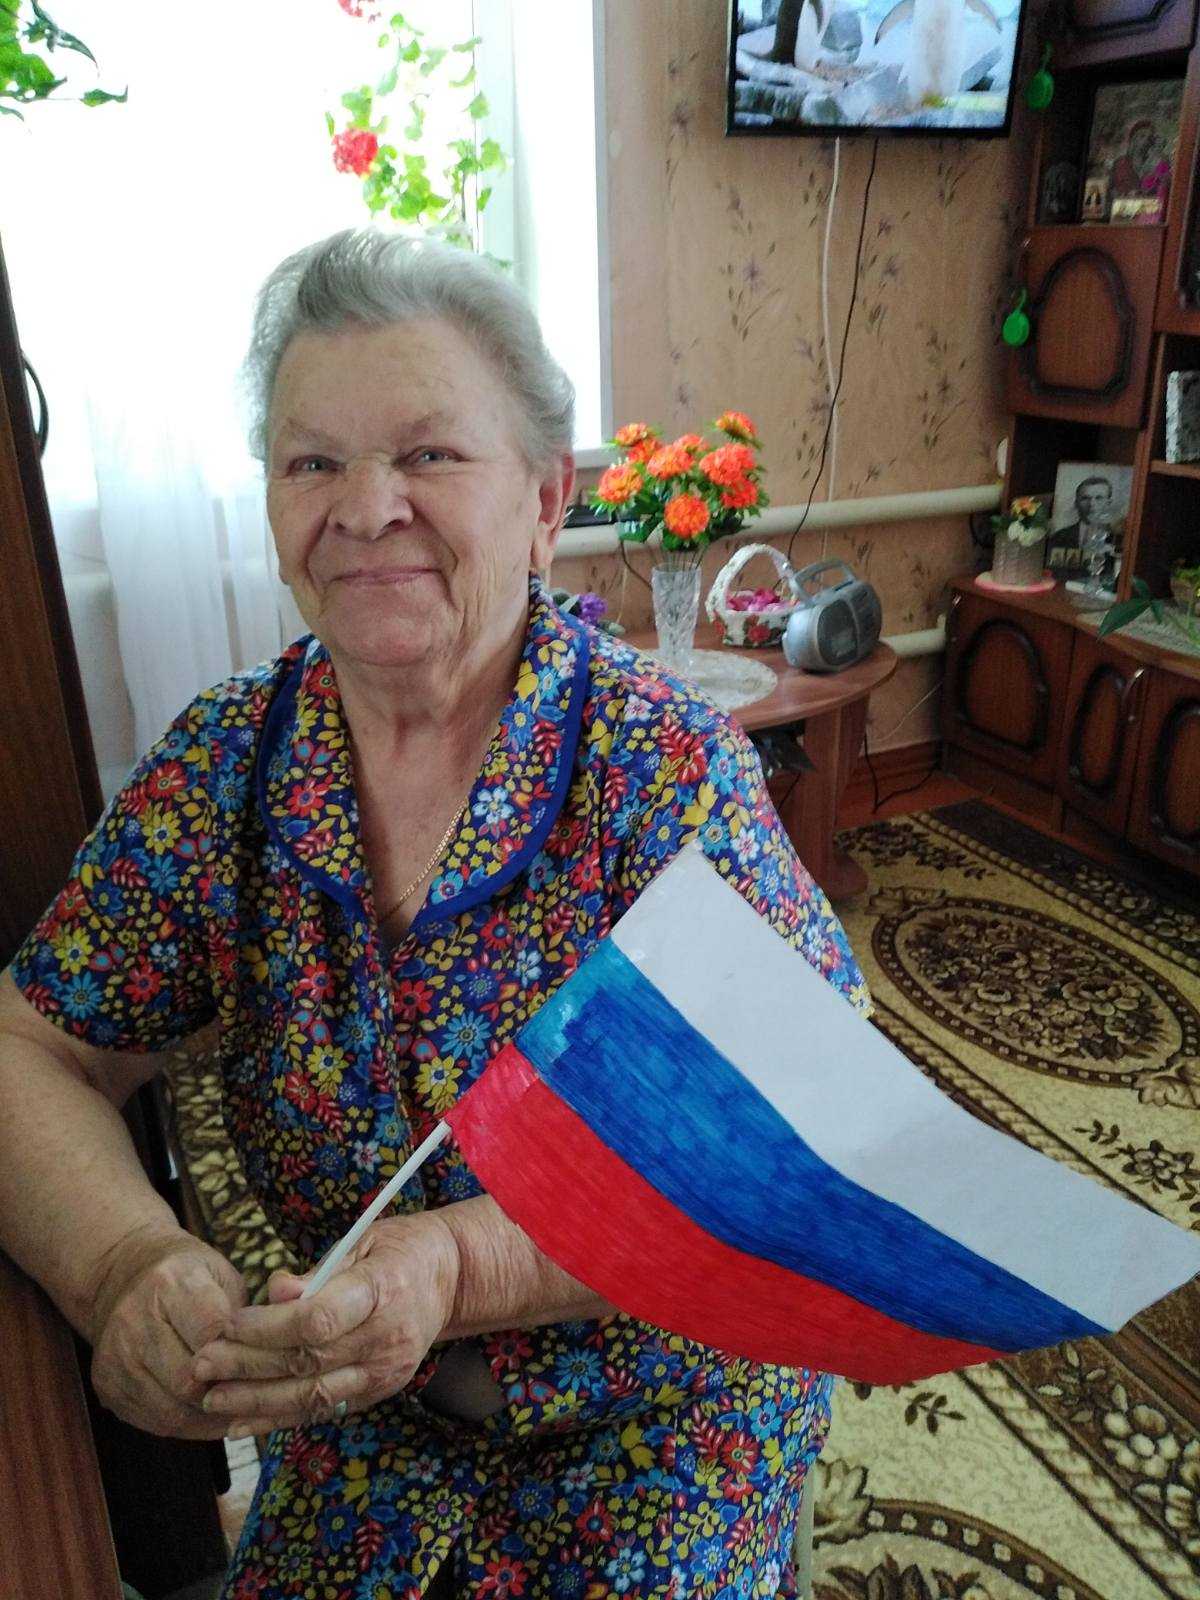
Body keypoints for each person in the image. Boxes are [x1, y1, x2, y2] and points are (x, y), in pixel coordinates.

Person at [0, 228, 870, 1597]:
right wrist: (120, 1264)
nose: (364, 507)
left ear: (544, 499)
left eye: (428, 453)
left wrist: (458, 1268)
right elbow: (30, 1047)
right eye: (311, 462)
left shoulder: (660, 773)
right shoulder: (227, 767)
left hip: (657, 1409)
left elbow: (795, 1137)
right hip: (364, 1414)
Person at [1047, 474, 1120, 586]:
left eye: (1099, 498)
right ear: (1076, 503)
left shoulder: (1117, 537)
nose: (1092, 504)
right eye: (1085, 498)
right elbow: (1054, 573)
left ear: (1108, 503)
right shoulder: (1059, 537)